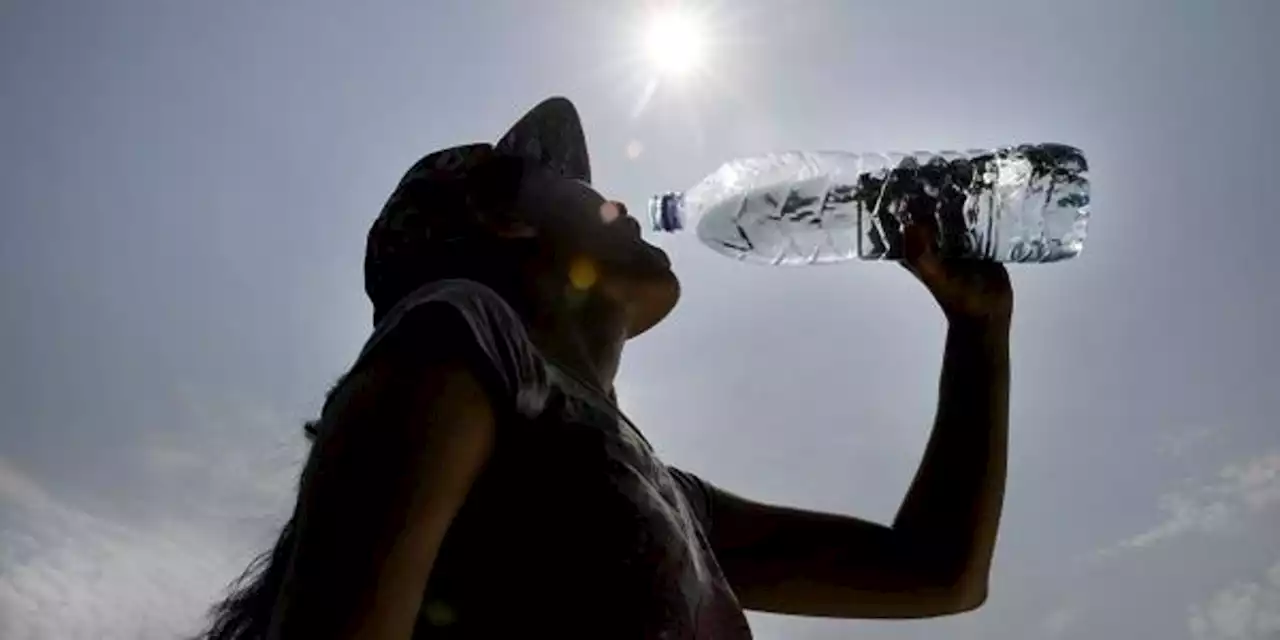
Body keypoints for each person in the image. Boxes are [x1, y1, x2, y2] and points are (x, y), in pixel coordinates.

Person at [198, 97, 1012, 640]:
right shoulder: (460, 334)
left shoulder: (663, 490)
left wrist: (977, 330)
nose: (617, 204)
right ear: (502, 217)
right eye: (577, 185)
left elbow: (938, 572)